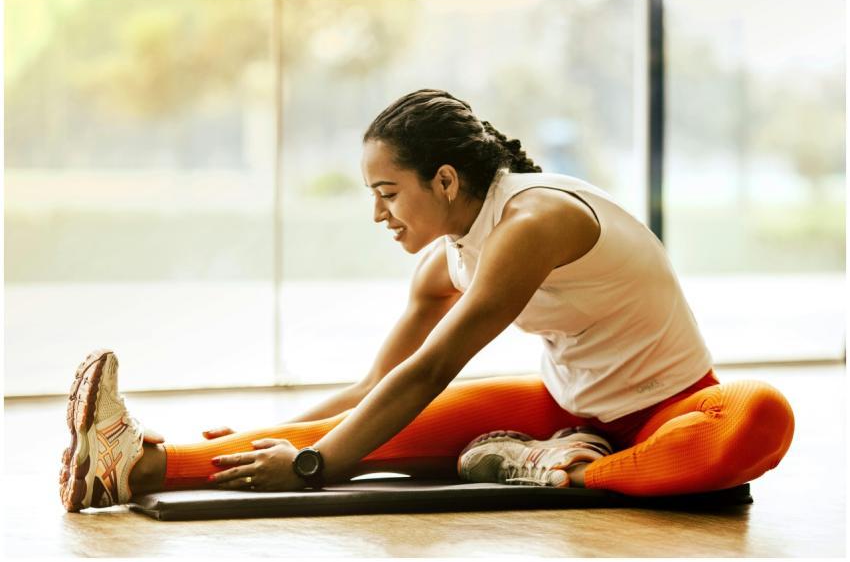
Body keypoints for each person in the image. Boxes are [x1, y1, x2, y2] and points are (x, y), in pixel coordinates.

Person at [59, 89, 795, 512]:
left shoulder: (534, 223)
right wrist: (278, 432)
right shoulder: (447, 259)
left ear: (444, 180)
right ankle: (127, 465)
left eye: (388, 193)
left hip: (673, 410)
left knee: (763, 415)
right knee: (354, 427)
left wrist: (317, 465)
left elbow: (436, 365)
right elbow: (376, 389)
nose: (379, 214)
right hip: (566, 411)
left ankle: (565, 470)